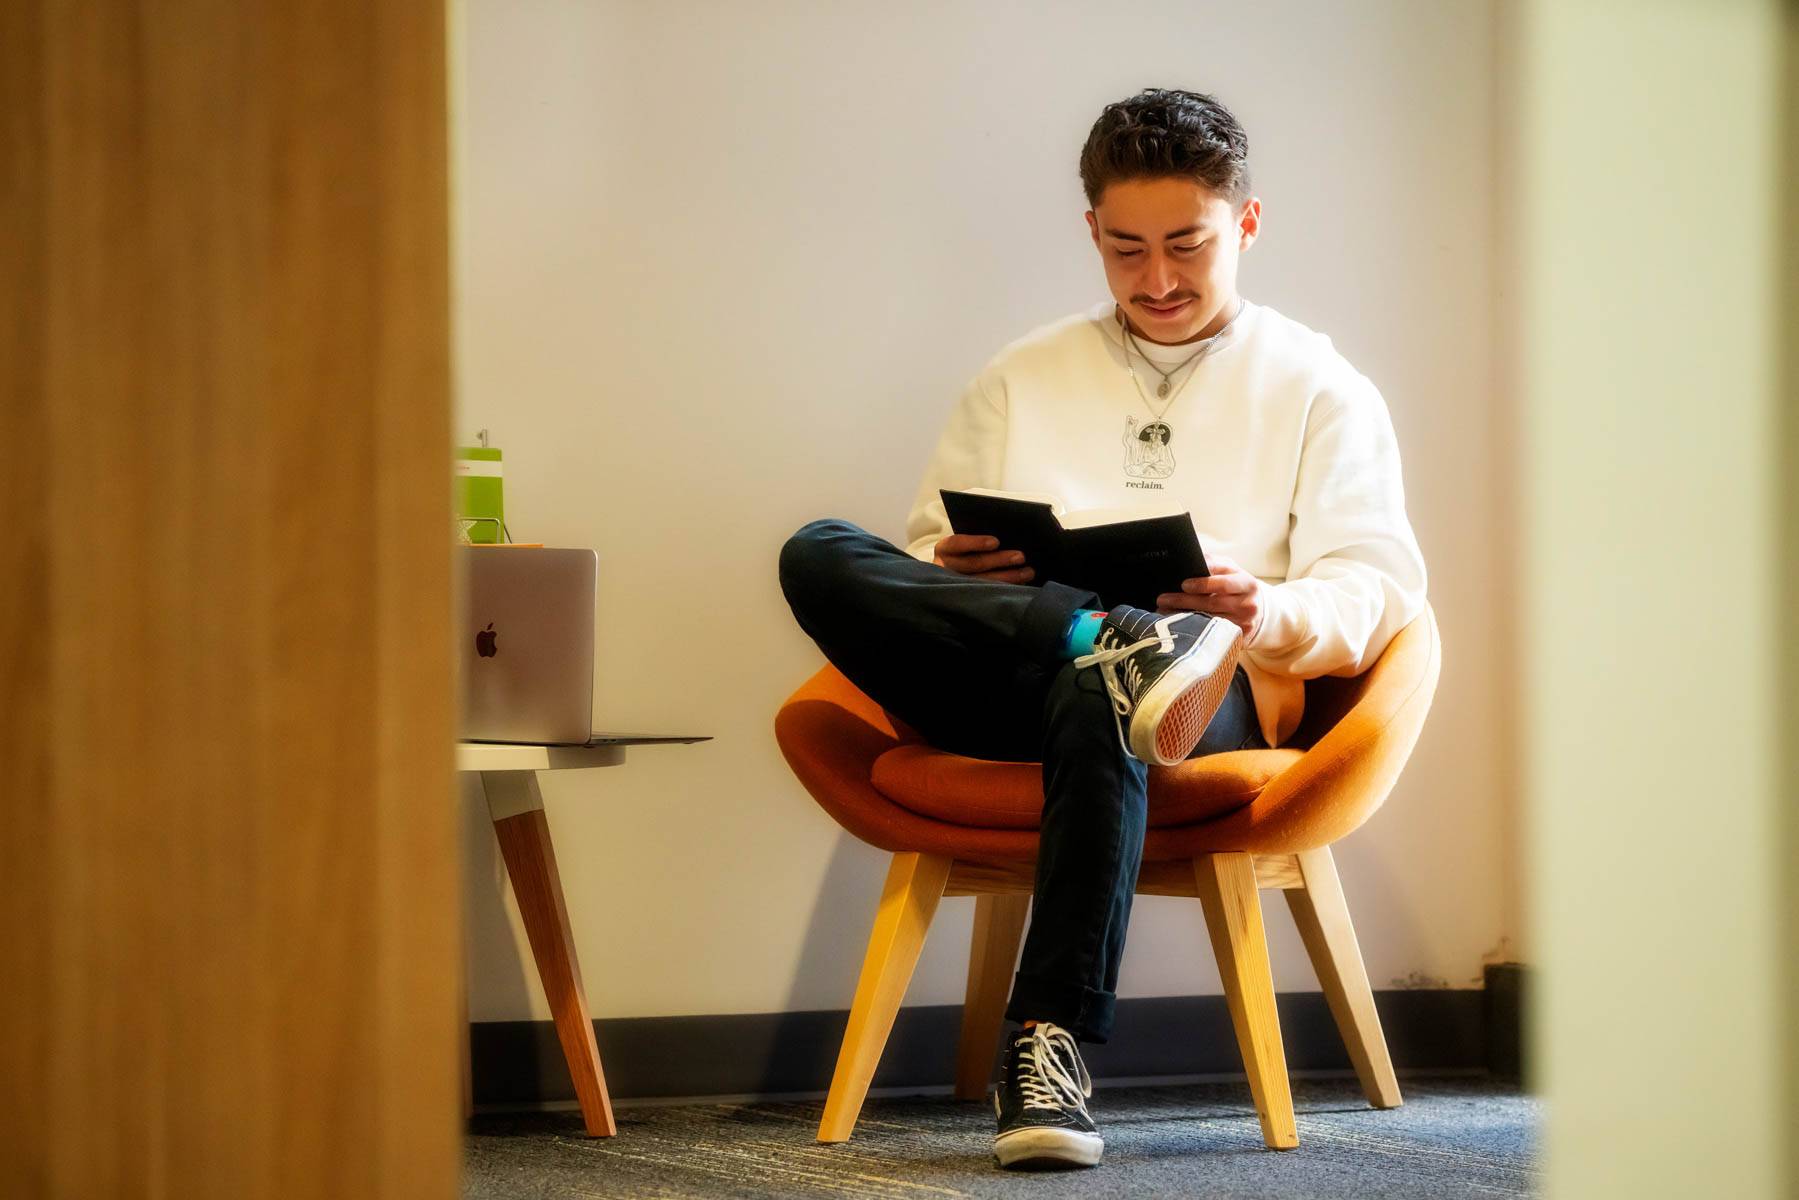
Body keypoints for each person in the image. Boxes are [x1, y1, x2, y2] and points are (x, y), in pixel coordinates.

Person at [779, 88, 1427, 1171]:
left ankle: (1045, 1043)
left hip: (1200, 696)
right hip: (1010, 672)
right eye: (1125, 249)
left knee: (1108, 689)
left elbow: (1377, 589)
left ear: (1246, 224)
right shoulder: (1020, 372)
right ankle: (1094, 633)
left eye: (1187, 244)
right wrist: (958, 560)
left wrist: (1262, 607)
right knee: (818, 552)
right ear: (1091, 233)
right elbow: (925, 537)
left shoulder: (1320, 387)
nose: (1157, 279)